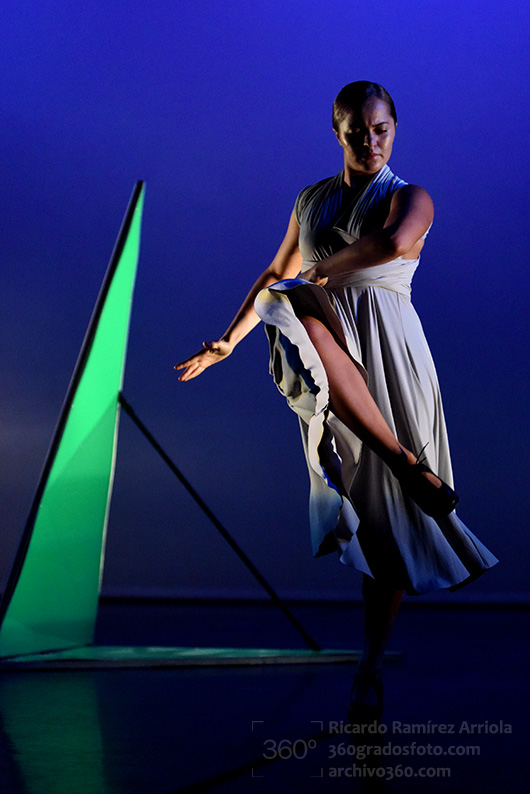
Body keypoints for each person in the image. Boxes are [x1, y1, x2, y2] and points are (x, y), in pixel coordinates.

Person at [175, 81, 498, 722]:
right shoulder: (312, 200)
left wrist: (321, 269)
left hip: (389, 347)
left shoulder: (411, 196)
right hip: (328, 340)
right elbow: (278, 273)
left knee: (389, 522)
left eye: (381, 130)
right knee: (285, 301)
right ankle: (404, 461)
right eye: (357, 132)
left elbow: (391, 244)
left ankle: (369, 666)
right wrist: (228, 340)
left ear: (394, 129)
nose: (370, 141)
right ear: (337, 132)